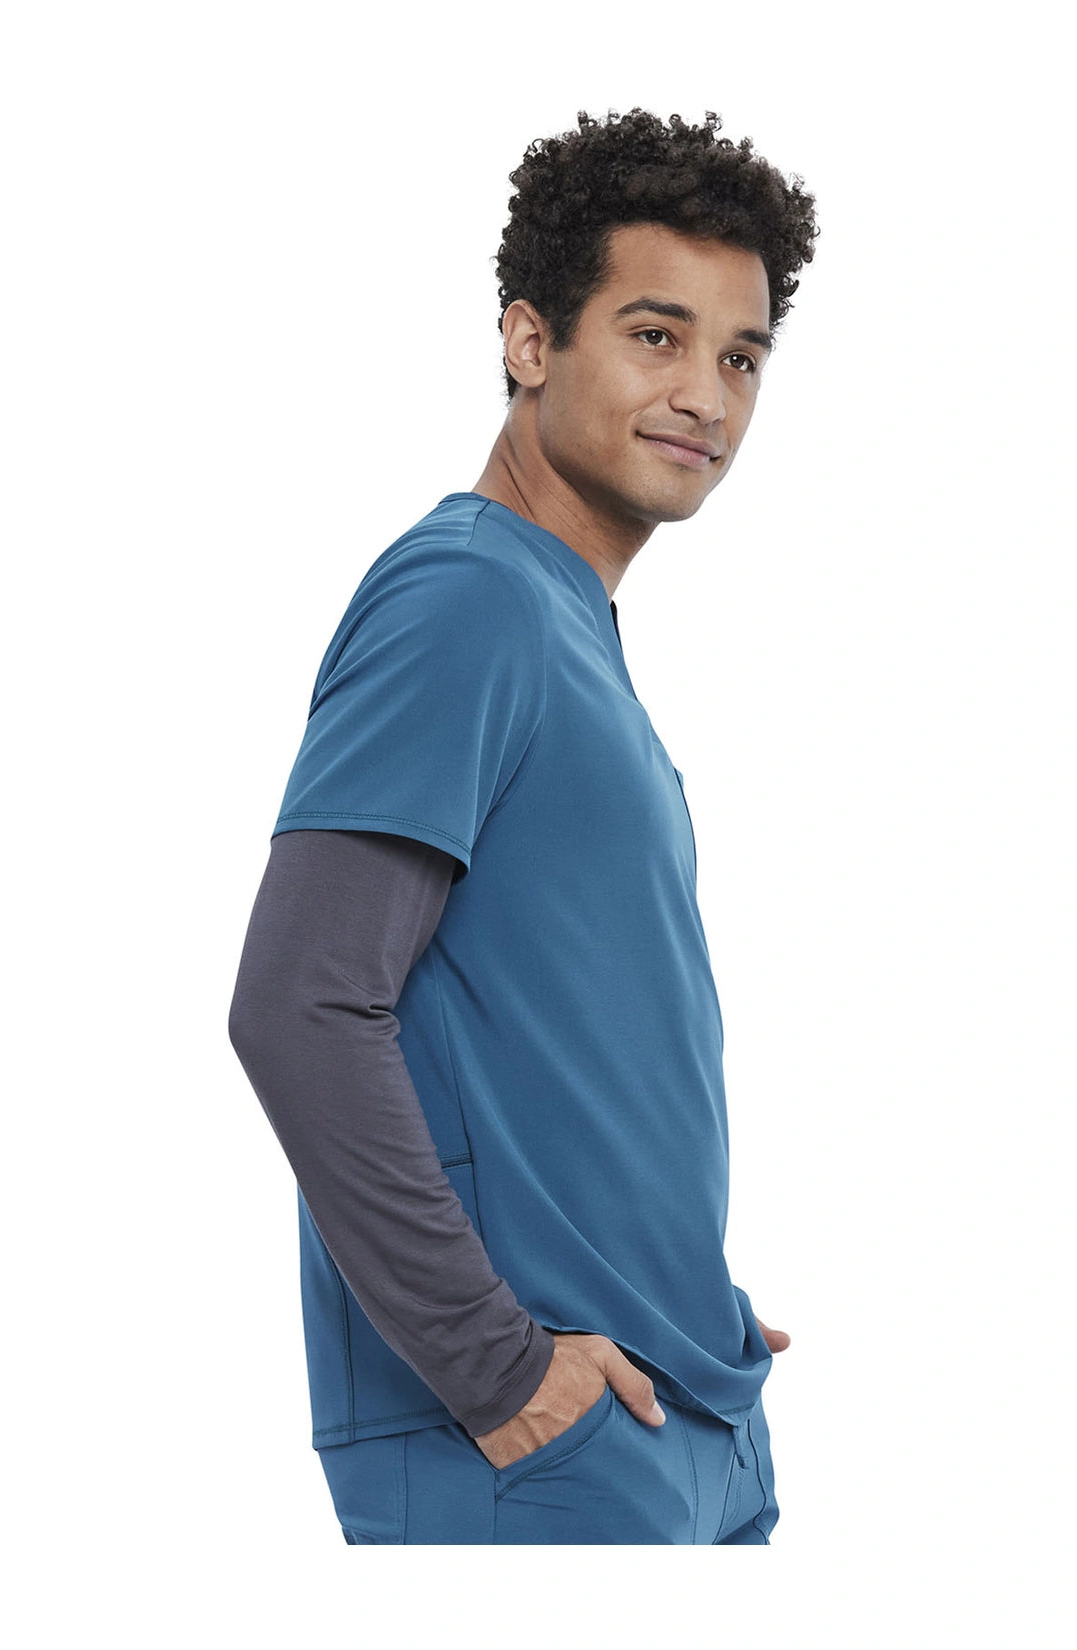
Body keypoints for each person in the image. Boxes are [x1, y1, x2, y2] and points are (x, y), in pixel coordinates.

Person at [228, 106, 818, 1544]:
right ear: (530, 341)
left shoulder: (566, 627)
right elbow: (301, 1003)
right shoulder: (466, 598)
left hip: (678, 1398)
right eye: (657, 335)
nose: (707, 397)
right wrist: (499, 1372)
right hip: (532, 1444)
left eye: (740, 357)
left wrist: (685, 1292)